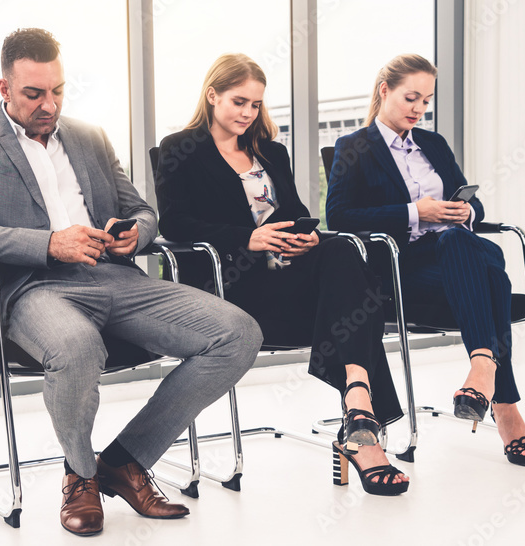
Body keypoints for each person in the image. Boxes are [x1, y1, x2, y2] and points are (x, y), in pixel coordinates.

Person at [0, 29, 262, 536]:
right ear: (4, 87)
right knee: (77, 345)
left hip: (114, 276)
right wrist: (48, 244)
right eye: (34, 93)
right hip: (31, 287)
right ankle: (81, 475)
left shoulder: (90, 136)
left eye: (58, 91)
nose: (50, 104)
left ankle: (126, 460)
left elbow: (141, 210)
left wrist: (135, 236)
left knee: (238, 333)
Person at [156, 53, 409, 496]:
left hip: (291, 277)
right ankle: (363, 427)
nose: (247, 113)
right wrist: (249, 238)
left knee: (342, 248)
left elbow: (295, 214)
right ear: (212, 95)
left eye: (255, 104)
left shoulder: (270, 150)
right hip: (232, 284)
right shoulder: (181, 149)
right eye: (238, 102)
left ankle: (357, 401)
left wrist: (305, 237)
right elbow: (175, 225)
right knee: (357, 296)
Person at [326, 53, 525, 467]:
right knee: (489, 269)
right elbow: (338, 217)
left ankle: (482, 372)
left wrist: (467, 212)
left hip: (455, 265)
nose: (419, 109)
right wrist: (415, 212)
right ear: (384, 90)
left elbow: (468, 196)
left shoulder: (434, 143)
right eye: (411, 98)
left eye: (426, 101)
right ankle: (504, 404)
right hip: (400, 266)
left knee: (463, 243)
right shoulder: (353, 147)